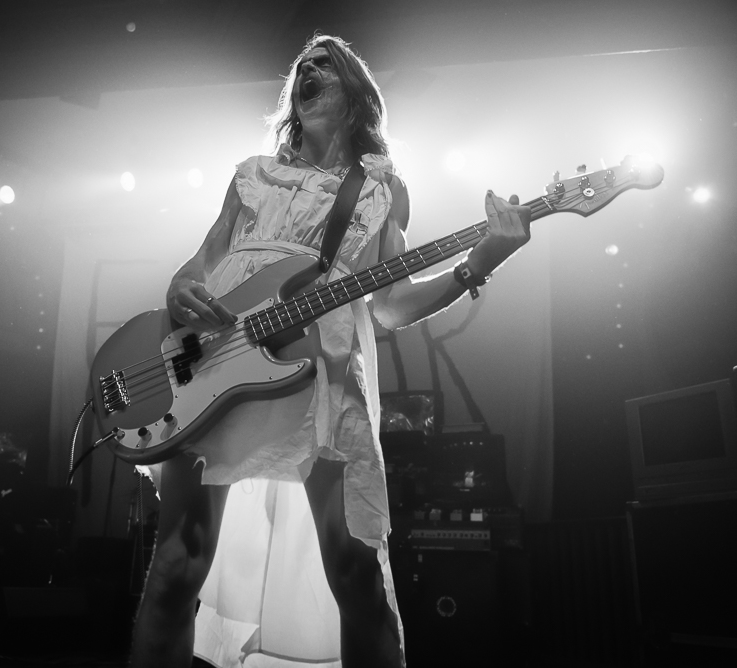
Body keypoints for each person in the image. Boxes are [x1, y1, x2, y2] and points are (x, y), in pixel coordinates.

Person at [129, 35, 531, 668]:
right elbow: (201, 262)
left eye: (323, 64)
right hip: (216, 365)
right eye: (301, 66)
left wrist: (478, 263)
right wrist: (180, 286)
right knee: (177, 564)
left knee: (355, 569)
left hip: (324, 371)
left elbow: (390, 305)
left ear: (355, 93)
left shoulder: (379, 190)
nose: (307, 71)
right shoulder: (252, 175)